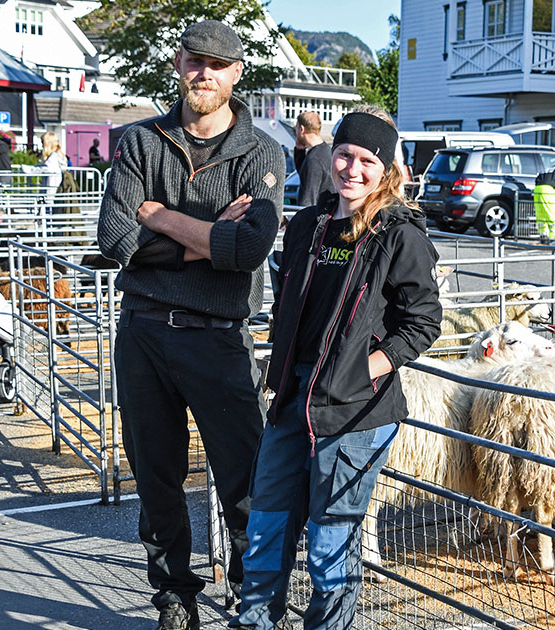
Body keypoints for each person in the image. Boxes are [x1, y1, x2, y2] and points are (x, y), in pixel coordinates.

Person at [95, 19, 283, 630]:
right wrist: (209, 237)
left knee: (246, 480)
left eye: (218, 64)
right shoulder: (140, 141)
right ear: (178, 64)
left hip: (218, 336)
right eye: (195, 60)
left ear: (236, 74)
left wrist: (159, 217)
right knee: (156, 477)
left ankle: (257, 601)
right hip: (144, 333)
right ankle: (175, 598)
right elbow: (115, 239)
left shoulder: (261, 153)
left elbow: (250, 249)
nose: (205, 73)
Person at [233, 106, 442, 630]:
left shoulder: (399, 235)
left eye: (367, 160)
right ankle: (255, 622)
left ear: (386, 168)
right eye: (345, 154)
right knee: (265, 530)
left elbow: (422, 322)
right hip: (292, 399)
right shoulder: (308, 225)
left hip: (354, 411)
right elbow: (289, 305)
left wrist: (364, 368)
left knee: (330, 546)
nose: (352, 169)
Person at [294, 111, 333, 206]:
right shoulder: (326, 151)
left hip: (318, 213)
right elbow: (304, 177)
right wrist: (299, 151)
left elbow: (307, 200)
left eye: (296, 128)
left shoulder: (314, 159)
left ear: (301, 129)